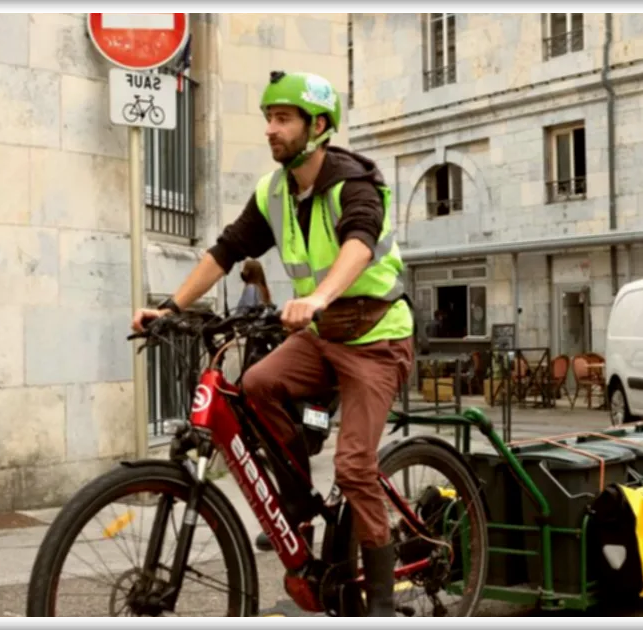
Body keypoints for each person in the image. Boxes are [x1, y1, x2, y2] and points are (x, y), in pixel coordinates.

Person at [130, 70, 413, 618]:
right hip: (320, 334)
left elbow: (359, 243)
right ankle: (299, 502)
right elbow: (226, 250)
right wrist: (170, 308)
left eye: (283, 119)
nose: (270, 129)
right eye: (268, 118)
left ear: (319, 126)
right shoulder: (275, 191)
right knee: (256, 384)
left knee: (355, 466)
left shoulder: (355, 183)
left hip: (376, 337)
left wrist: (321, 297)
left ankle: (379, 600)